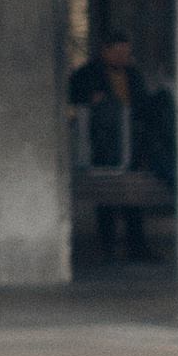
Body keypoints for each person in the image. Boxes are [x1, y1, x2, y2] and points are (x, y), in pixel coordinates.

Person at [68, 30, 167, 261]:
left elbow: (142, 103)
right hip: (103, 142)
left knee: (133, 196)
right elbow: (75, 97)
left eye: (126, 52)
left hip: (131, 139)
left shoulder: (132, 75)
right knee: (105, 194)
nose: (123, 57)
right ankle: (108, 247)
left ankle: (137, 246)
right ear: (105, 51)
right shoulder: (87, 74)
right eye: (118, 52)